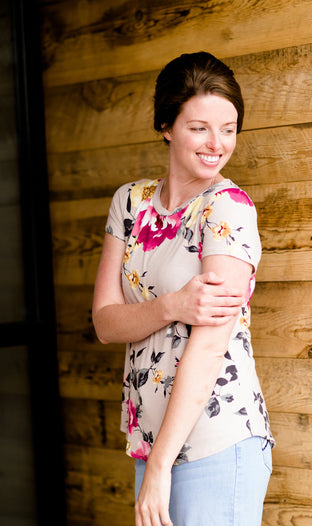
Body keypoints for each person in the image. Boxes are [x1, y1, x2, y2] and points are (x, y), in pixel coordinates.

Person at [92, 51, 274, 526]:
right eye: (200, 127)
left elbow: (211, 345)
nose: (217, 144)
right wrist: (174, 304)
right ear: (167, 126)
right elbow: (106, 323)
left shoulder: (227, 208)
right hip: (151, 444)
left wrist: (159, 466)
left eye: (229, 128)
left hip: (215, 440)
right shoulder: (129, 204)